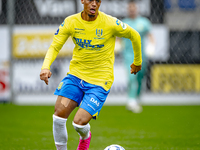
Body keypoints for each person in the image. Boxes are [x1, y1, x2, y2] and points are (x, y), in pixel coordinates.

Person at [40, 0, 142, 149]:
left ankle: (85, 136)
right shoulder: (71, 22)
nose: (94, 4)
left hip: (99, 83)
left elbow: (135, 35)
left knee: (78, 123)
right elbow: (55, 46)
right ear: (82, 1)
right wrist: (45, 67)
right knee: (58, 117)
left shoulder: (110, 23)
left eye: (98, 1)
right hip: (75, 78)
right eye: (90, 0)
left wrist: (137, 62)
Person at [122, 0, 155, 113]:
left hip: (141, 56)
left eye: (133, 8)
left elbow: (150, 36)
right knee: (132, 77)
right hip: (128, 55)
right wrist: (115, 45)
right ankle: (131, 100)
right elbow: (116, 37)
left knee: (140, 78)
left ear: (137, 9)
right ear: (128, 9)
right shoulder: (124, 23)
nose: (132, 10)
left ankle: (137, 99)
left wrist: (151, 46)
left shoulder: (144, 22)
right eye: (130, 8)